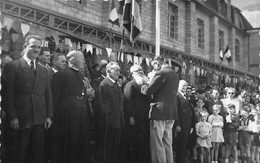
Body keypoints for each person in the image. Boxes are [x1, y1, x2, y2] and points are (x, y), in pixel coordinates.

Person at [2, 35, 53, 163]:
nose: (36, 50)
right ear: (25, 47)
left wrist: (48, 116)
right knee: (18, 155)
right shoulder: (13, 66)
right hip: (20, 120)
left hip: (39, 120)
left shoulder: (44, 70)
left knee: (36, 155)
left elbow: (48, 95)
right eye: (33, 46)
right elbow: (7, 95)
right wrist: (12, 117)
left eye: (38, 47)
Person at [51, 50, 90, 163]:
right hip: (66, 118)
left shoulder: (81, 75)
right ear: (73, 59)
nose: (84, 60)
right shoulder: (61, 75)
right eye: (81, 57)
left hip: (80, 117)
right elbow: (55, 97)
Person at [141, 56, 179, 163]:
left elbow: (148, 90)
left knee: (157, 143)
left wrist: (145, 83)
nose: (154, 68)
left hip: (159, 113)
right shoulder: (174, 74)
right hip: (171, 113)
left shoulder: (161, 73)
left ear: (158, 63)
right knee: (167, 142)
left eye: (154, 65)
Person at [123, 65, 151, 163]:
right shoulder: (130, 85)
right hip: (135, 120)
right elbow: (127, 102)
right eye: (137, 71)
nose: (140, 72)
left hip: (144, 120)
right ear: (132, 74)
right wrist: (130, 116)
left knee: (143, 143)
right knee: (134, 143)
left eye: (141, 70)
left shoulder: (146, 86)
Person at [98, 62, 124, 163]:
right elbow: (101, 105)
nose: (118, 72)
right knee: (107, 151)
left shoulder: (115, 84)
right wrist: (108, 117)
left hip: (117, 122)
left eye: (119, 70)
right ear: (108, 71)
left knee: (114, 150)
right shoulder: (104, 84)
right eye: (116, 70)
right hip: (109, 123)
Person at [175, 80, 195, 163]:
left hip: (187, 125)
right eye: (183, 85)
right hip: (181, 125)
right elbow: (175, 111)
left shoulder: (185, 96)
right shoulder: (177, 96)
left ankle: (183, 160)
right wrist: (177, 124)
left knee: (185, 145)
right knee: (180, 145)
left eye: (185, 86)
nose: (184, 87)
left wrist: (191, 126)